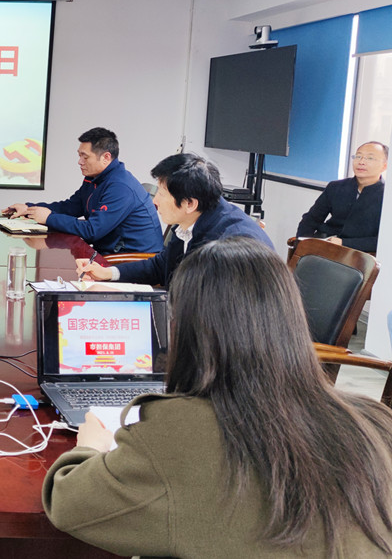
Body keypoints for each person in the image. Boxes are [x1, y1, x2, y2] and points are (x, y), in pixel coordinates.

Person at [43, 237, 392, 557]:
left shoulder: (175, 434)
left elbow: (69, 504)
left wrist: (90, 446)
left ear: (187, 329)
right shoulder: (375, 425)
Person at [78, 152, 273, 287]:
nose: (155, 201)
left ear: (190, 203)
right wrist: (108, 273)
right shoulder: (193, 220)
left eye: (162, 194)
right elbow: (161, 265)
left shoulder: (226, 245)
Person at [3, 127, 163, 254]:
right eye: (79, 156)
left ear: (106, 157)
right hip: (107, 254)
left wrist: (49, 218)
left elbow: (92, 230)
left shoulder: (121, 187)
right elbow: (70, 207)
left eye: (85, 157)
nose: (79, 162)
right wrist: (28, 208)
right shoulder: (94, 178)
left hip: (130, 261)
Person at [296, 141, 387, 252]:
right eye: (358, 156)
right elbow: (311, 219)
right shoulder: (335, 187)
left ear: (384, 166)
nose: (361, 162)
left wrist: (343, 243)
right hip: (324, 245)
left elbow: (384, 240)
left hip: (359, 254)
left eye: (370, 158)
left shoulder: (387, 197)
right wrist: (303, 244)